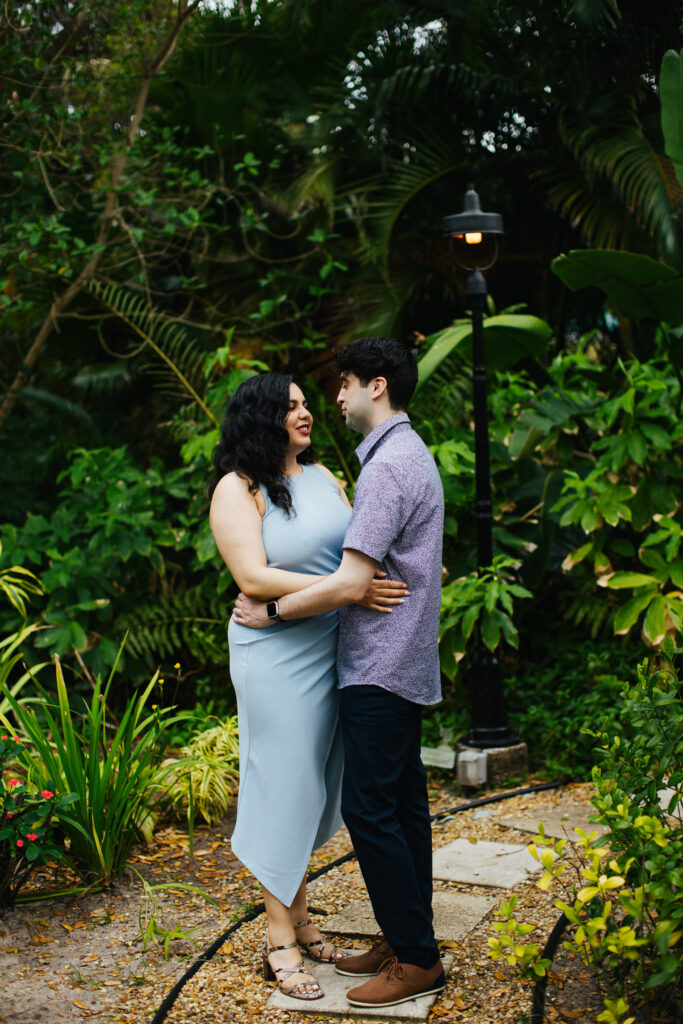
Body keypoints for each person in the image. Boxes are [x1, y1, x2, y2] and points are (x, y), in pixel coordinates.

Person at [234, 337, 446, 1009]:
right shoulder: (403, 456)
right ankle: (403, 937)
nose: (334, 399)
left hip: (376, 659)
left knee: (372, 808)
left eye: (343, 383)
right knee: (402, 804)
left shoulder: (384, 467)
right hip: (385, 657)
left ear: (374, 387)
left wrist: (274, 612)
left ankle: (415, 956)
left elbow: (354, 577)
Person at [209, 371, 407, 1002]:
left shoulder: (323, 478)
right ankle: (278, 939)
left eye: (304, 404)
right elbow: (253, 577)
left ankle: (301, 916)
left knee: (316, 786)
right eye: (290, 406)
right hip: (272, 649)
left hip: (330, 648)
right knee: (283, 783)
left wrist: (374, 576)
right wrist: (343, 591)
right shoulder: (237, 489)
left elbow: (355, 550)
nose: (306, 413)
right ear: (261, 418)